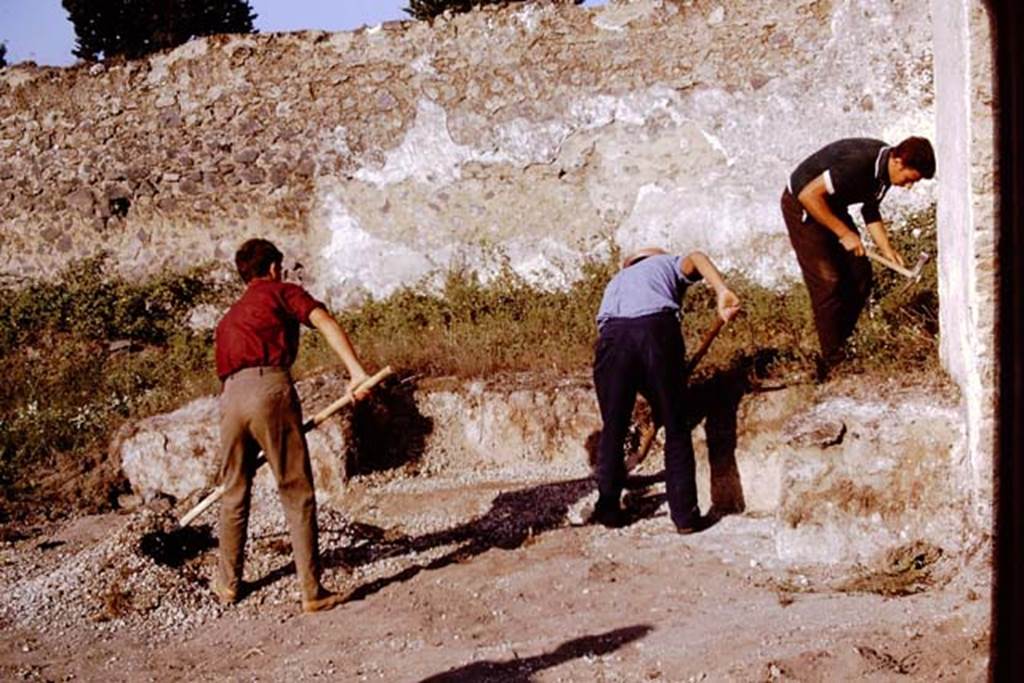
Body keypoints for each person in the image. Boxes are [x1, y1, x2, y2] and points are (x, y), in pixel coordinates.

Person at [212, 238, 371, 613]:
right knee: (295, 490)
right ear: (271, 268)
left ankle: (228, 586)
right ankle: (312, 592)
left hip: (230, 399)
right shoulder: (280, 291)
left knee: (233, 492)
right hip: (269, 388)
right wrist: (356, 372)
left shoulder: (229, 317)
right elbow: (323, 321)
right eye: (279, 267)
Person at [591, 247, 741, 533]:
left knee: (614, 426)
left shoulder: (617, 281)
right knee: (676, 425)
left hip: (611, 339)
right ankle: (685, 517)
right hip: (655, 330)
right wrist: (721, 291)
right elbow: (696, 256)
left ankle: (608, 509)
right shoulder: (664, 262)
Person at [781, 136, 935, 378]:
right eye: (909, 180)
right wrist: (843, 233)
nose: (907, 186)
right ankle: (833, 364)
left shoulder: (884, 172)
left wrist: (887, 249)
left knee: (860, 274)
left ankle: (842, 341)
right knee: (828, 282)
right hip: (803, 206)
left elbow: (870, 208)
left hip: (831, 205)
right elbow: (809, 196)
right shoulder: (857, 163)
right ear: (899, 161)